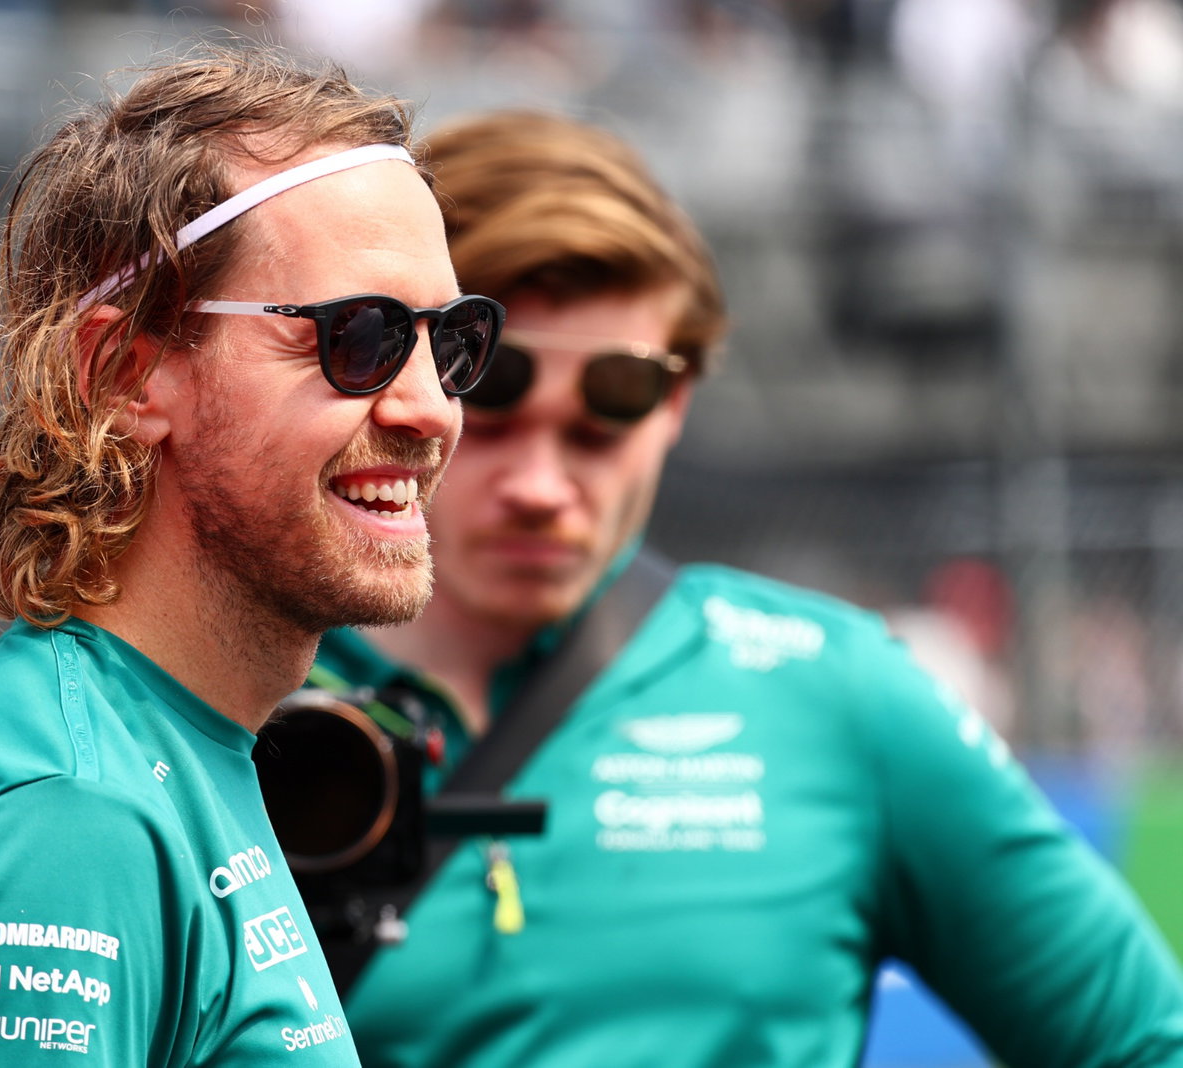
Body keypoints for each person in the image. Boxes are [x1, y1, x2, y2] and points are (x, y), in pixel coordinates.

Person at [307, 110, 1183, 1067]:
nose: (543, 485)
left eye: (604, 421)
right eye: (493, 401)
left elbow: (1143, 1042)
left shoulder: (834, 695)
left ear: (676, 402)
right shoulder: (227, 694)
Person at [0, 44, 504, 1066]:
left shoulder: (164, 747)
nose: (432, 409)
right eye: (360, 337)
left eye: (452, 340)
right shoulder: (68, 816)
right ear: (127, 372)